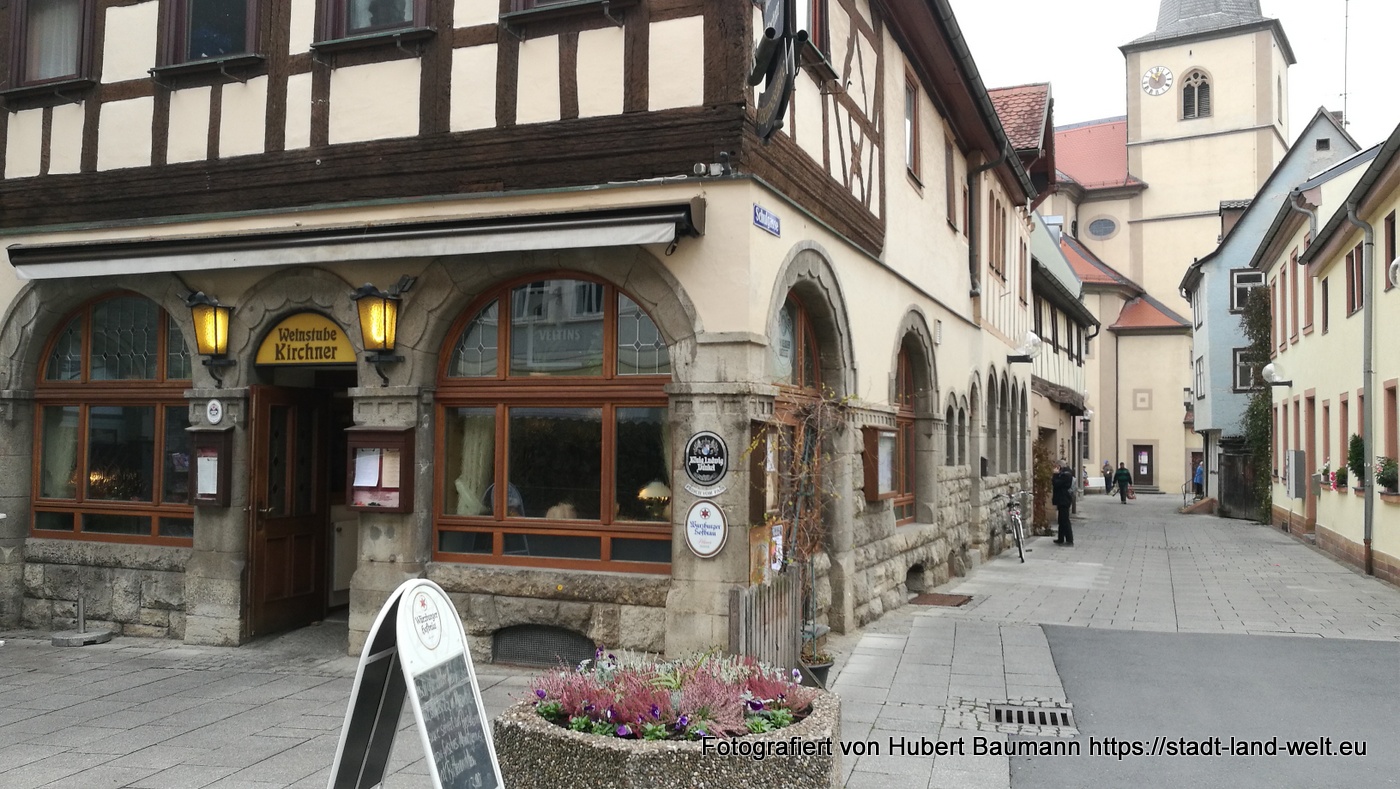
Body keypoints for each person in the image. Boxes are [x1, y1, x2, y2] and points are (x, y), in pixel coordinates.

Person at [1052, 463, 1075, 545]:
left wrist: (1055, 475)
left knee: (1065, 520)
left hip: (1064, 500)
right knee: (1061, 520)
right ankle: (1061, 538)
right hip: (1062, 499)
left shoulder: (1066, 475)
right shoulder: (1065, 473)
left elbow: (1056, 483)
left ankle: (1069, 539)